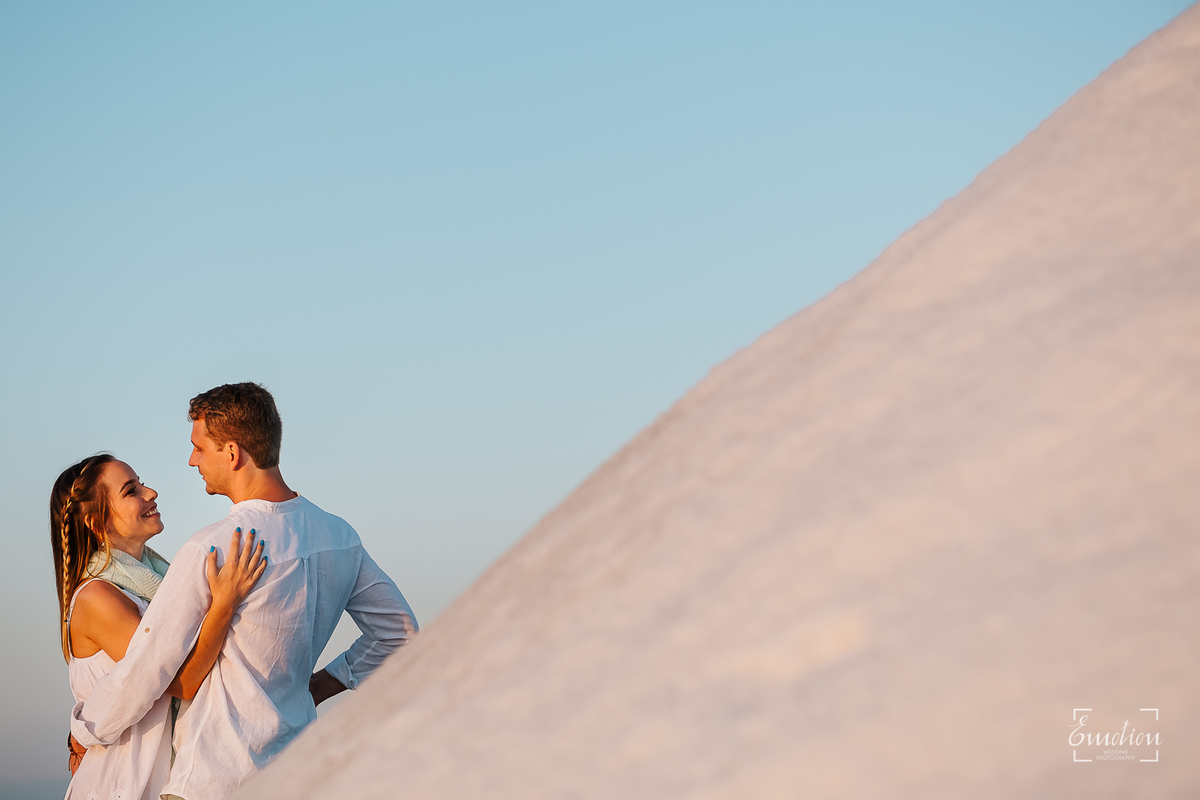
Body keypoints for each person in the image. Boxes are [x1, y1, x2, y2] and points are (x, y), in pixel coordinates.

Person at [71, 382, 418, 799]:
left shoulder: (211, 548)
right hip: (295, 775)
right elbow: (400, 632)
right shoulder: (340, 537)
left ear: (232, 453)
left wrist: (83, 731)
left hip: (213, 781)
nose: (191, 459)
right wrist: (320, 686)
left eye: (200, 448)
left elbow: (150, 676)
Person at [51, 454, 266, 800]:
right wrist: (223, 605)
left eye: (142, 483)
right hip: (122, 784)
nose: (151, 493)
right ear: (96, 522)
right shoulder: (98, 598)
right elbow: (182, 681)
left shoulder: (157, 586)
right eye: (131, 490)